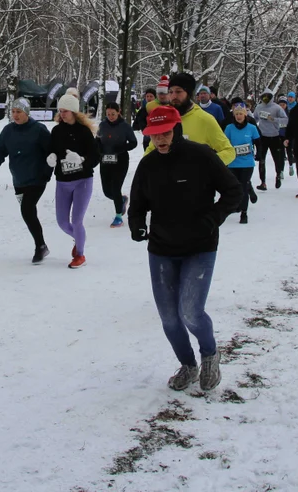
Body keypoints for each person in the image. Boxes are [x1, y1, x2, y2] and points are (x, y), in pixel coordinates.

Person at [128, 105, 242, 392]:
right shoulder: (148, 164)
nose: (161, 140)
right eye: (155, 135)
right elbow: (137, 203)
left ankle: (210, 354)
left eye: (165, 133)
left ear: (176, 129)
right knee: (169, 317)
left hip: (199, 246)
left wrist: (213, 219)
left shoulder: (200, 156)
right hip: (162, 248)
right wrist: (137, 225)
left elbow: (233, 192)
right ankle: (188, 365)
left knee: (191, 311)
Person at [0, 98, 53, 264]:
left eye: (19, 112)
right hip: (19, 179)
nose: (15, 115)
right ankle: (42, 245)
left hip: (37, 178)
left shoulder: (39, 130)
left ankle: (40, 247)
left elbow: (51, 153)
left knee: (27, 209)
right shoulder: (8, 131)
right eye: (13, 112)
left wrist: (47, 172)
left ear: (27, 113)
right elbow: (0, 151)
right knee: (29, 213)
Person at [49, 93, 100, 269]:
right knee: (62, 222)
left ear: (74, 112)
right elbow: (52, 149)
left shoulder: (84, 132)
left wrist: (82, 159)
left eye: (66, 111)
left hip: (82, 180)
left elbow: (95, 156)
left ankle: (80, 254)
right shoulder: (56, 131)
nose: (62, 114)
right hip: (63, 181)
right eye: (60, 111)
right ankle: (79, 237)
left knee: (77, 221)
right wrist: (52, 157)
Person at [145, 73, 235, 166]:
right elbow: (151, 149)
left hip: (197, 178)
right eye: (171, 92)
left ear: (189, 94)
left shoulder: (204, 119)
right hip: (167, 178)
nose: (174, 96)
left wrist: (204, 164)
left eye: (178, 92)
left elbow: (229, 151)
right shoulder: (164, 117)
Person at [97, 101, 138, 228]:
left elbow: (133, 142)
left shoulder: (125, 126)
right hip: (105, 161)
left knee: (115, 188)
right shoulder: (102, 125)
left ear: (118, 112)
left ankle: (118, 216)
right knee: (107, 191)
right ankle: (122, 200)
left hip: (120, 161)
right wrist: (98, 149)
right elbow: (97, 140)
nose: (110, 116)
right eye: (108, 114)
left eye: (113, 114)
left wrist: (121, 147)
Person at [224, 103, 260, 224]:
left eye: (241, 114)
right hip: (233, 162)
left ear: (245, 115)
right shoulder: (229, 128)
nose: (239, 116)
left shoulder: (251, 128)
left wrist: (260, 154)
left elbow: (258, 142)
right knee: (236, 186)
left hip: (247, 162)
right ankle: (239, 204)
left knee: (243, 186)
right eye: (236, 114)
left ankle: (244, 213)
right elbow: (225, 144)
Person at [252, 91, 288, 190]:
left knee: (277, 159)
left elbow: (285, 120)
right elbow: (254, 119)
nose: (266, 99)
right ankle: (263, 182)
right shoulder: (259, 107)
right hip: (263, 137)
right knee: (261, 160)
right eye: (264, 97)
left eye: (268, 97)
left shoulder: (277, 107)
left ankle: (278, 176)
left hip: (275, 136)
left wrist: (273, 119)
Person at [278, 96, 293, 178]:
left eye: (283, 105)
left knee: (289, 151)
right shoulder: (276, 113)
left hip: (288, 135)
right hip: (279, 135)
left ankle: (291, 166)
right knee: (281, 154)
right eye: (280, 104)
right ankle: (281, 171)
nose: (282, 106)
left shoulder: (289, 113)